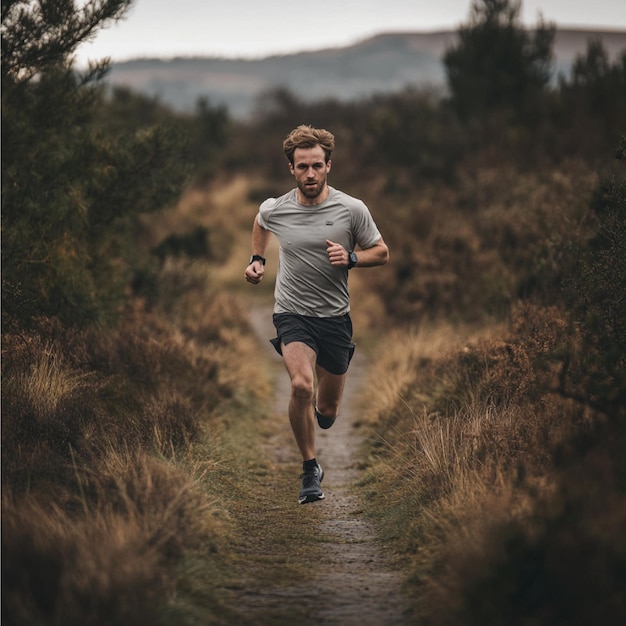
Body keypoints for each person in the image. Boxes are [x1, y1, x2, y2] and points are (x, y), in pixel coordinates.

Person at [244, 124, 389, 504]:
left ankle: (320, 418)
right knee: (301, 386)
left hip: (335, 318)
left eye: (317, 166)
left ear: (328, 166)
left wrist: (353, 257)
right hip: (292, 312)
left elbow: (382, 252)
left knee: (326, 410)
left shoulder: (351, 209)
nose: (310, 174)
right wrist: (257, 260)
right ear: (291, 168)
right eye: (302, 166)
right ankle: (310, 469)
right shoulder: (277, 208)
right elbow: (260, 221)